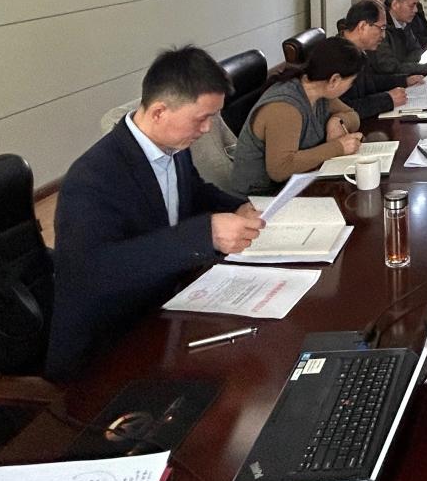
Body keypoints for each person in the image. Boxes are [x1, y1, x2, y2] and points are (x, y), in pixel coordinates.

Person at [49, 46, 265, 379]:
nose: (207, 129)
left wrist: (236, 206)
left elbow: (192, 192)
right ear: (160, 111)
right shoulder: (93, 177)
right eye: (201, 118)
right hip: (109, 344)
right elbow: (93, 270)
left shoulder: (174, 146)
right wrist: (204, 234)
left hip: (165, 311)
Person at [230, 37, 365, 196]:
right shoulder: (285, 107)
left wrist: (337, 121)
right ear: (334, 80)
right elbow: (280, 169)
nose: (350, 87)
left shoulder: (320, 93)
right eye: (351, 82)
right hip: (261, 197)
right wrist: (338, 147)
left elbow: (352, 115)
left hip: (299, 183)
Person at [336, 0, 426, 119]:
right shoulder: (338, 57)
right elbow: (346, 108)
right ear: (362, 26)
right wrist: (388, 99)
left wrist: (404, 80)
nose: (383, 36)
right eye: (381, 28)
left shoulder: (356, 49)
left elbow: (371, 82)